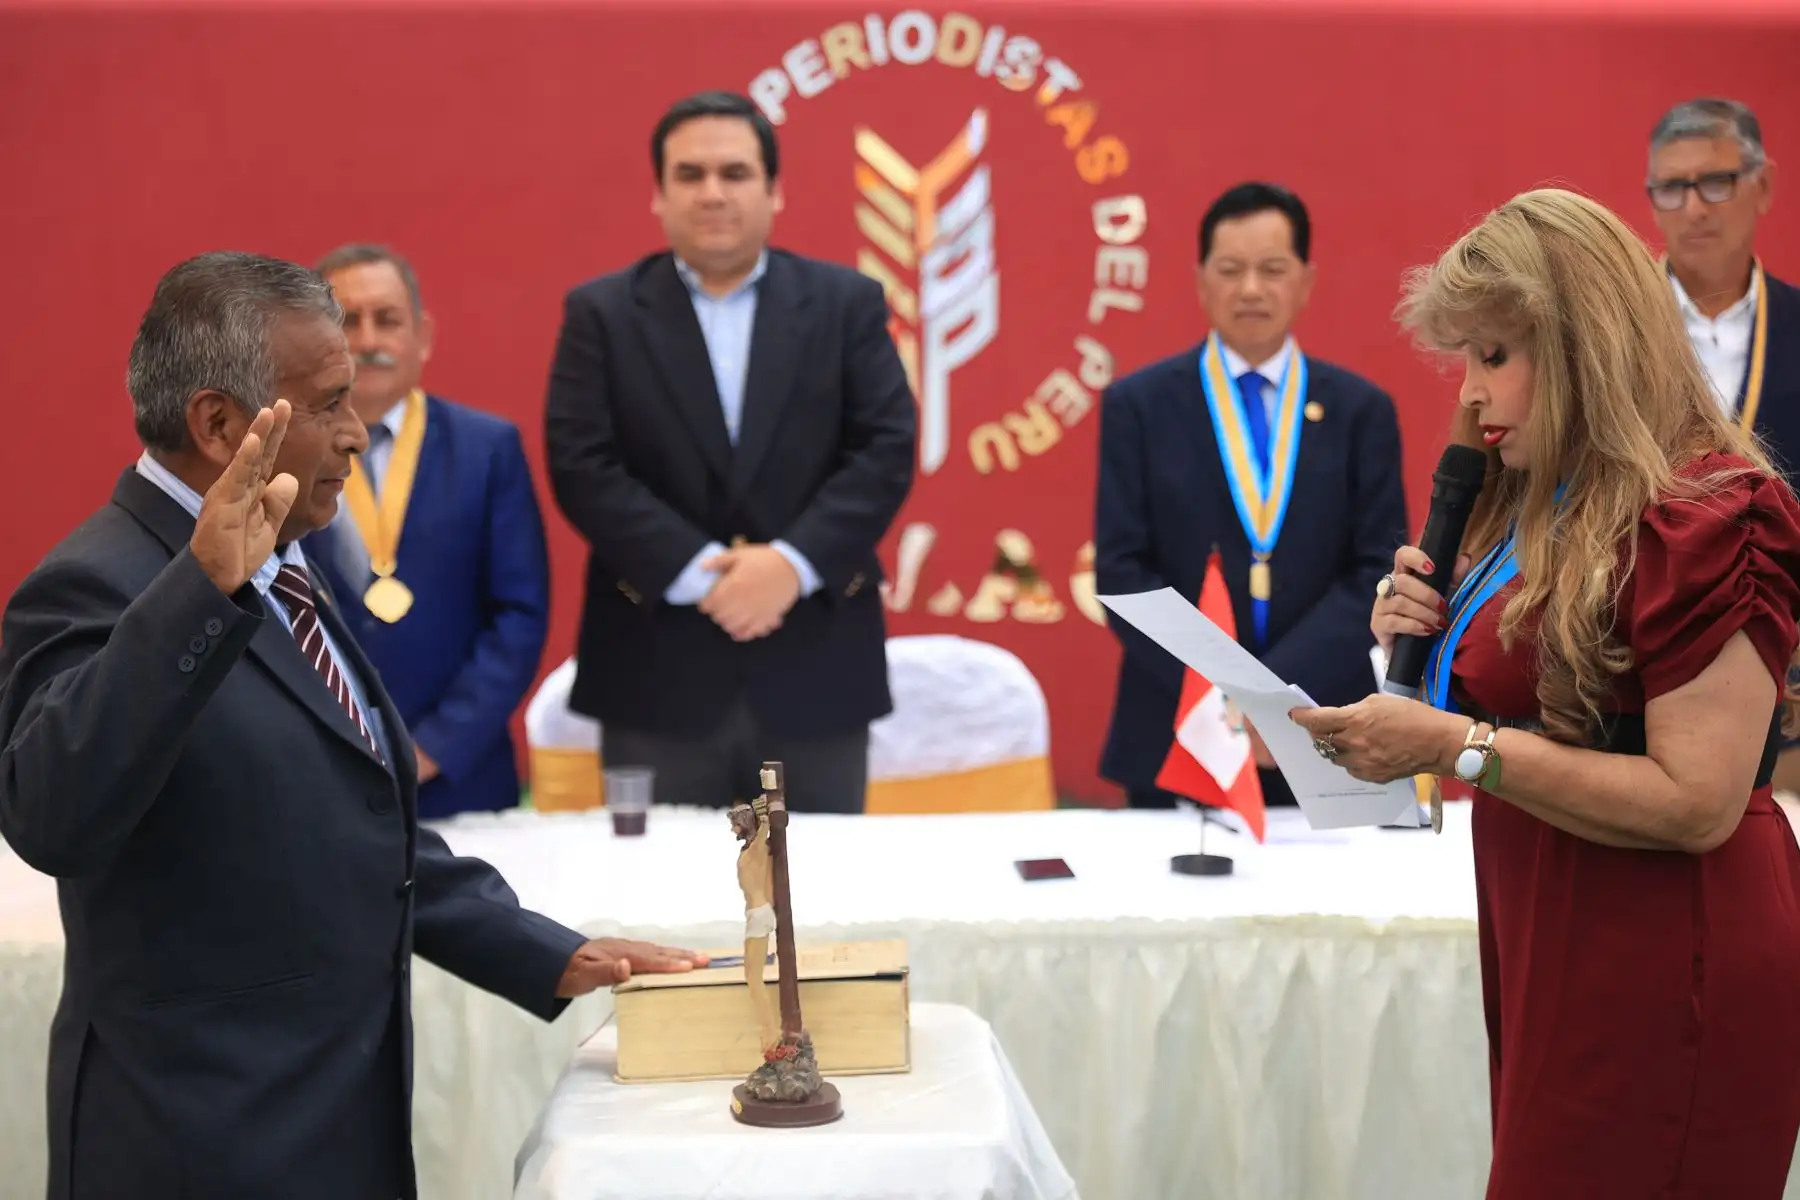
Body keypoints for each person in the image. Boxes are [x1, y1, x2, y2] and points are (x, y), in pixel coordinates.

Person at [0, 252, 704, 1200]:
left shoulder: (284, 556)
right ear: (218, 425)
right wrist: (199, 595)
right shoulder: (100, 582)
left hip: (334, 1128)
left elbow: (355, 818)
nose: (356, 434)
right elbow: (51, 818)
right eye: (330, 403)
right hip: (197, 1145)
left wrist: (549, 952)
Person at [1291, 189, 1800, 1197]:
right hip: (1550, 932)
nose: (1471, 396)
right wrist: (1415, 650)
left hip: (1666, 947)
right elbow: (1521, 706)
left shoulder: (1711, 513)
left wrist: (1455, 744)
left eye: (1494, 355)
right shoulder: (1536, 503)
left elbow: (1699, 803)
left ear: (1581, 348)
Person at [543, 90, 916, 814]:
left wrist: (790, 565)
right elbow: (582, 463)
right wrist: (699, 576)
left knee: (821, 909)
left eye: (735, 173)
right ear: (658, 194)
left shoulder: (848, 304)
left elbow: (885, 448)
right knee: (656, 907)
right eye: (690, 175)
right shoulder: (603, 313)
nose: (713, 193)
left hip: (817, 663)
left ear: (774, 190)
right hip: (655, 667)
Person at [1095, 181, 1409, 808]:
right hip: (1176, 727)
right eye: (1231, 270)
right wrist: (1222, 689)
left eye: (1272, 270)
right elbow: (1123, 571)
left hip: (1321, 723)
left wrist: (1274, 694)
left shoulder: (1359, 411)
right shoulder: (1140, 405)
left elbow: (1376, 571)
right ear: (1201, 280)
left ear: (1305, 280)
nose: (1250, 290)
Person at [302, 243, 550, 819]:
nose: (367, 342)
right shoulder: (282, 451)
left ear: (423, 335)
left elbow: (519, 615)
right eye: (346, 322)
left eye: (387, 320)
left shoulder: (487, 449)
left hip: (461, 778)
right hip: (319, 772)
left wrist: (434, 748)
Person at [1644, 97, 1800, 792]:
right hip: (1641, 663)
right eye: (1672, 188)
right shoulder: (1612, 332)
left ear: (1762, 185)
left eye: (1716, 182)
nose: (1695, 208)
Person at [730, 799, 778, 1052]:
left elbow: (763, 834)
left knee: (754, 977)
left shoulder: (758, 850)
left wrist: (765, 818)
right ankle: (769, 1032)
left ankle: (771, 1035)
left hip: (759, 914)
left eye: (736, 824)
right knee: (751, 975)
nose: (732, 830)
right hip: (756, 913)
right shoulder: (751, 851)